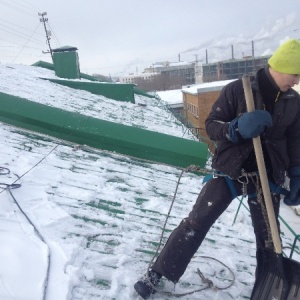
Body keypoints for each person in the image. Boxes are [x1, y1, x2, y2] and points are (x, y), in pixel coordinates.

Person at [134, 39, 300, 299]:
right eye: (295, 74)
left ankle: (268, 288)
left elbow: (295, 140)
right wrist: (235, 128)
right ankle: (158, 273)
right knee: (196, 221)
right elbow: (212, 125)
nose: (297, 80)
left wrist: (297, 171)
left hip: (267, 176)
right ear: (281, 66)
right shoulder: (238, 90)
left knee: (270, 239)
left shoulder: (293, 101)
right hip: (231, 170)